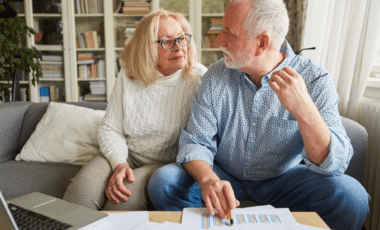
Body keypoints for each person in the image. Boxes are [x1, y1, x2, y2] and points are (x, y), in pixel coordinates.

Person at [147, 1, 370, 229]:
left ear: (262, 42)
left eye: (229, 33)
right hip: (225, 174)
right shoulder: (216, 76)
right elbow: (195, 141)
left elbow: (335, 164)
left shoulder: (315, 79)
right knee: (164, 182)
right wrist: (208, 180)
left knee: (352, 198)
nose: (218, 40)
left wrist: (305, 111)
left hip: (285, 179)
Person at [63, 9, 207, 211]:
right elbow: (111, 129)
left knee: (119, 203)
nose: (179, 47)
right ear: (146, 48)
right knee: (79, 196)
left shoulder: (200, 79)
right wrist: (119, 164)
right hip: (128, 154)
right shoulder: (129, 75)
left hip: (166, 164)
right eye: (167, 41)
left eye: (182, 38)